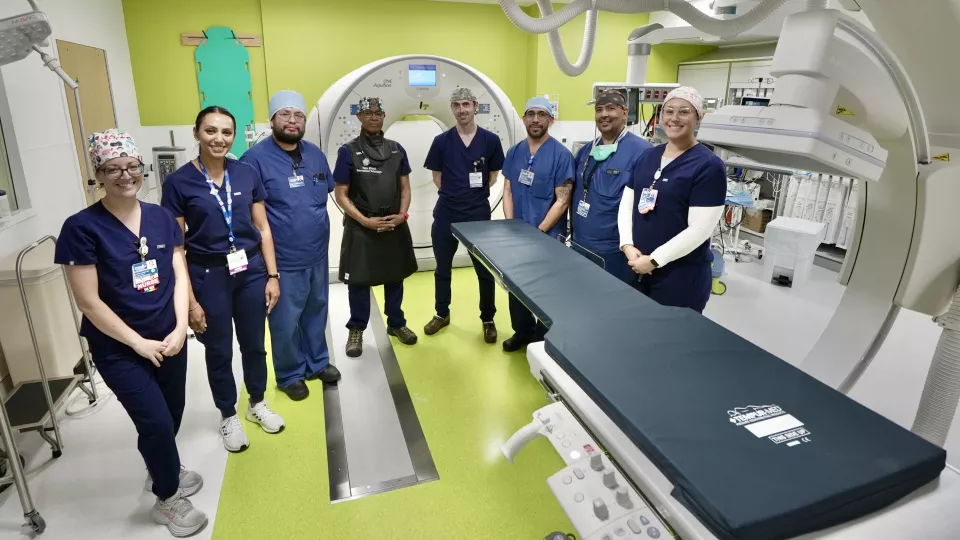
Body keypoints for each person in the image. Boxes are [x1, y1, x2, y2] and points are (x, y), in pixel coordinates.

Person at [55, 130, 207, 536]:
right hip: (120, 348)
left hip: (169, 337)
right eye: (113, 169)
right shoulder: (81, 228)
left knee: (171, 415)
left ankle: (161, 467)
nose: (126, 175)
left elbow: (177, 272)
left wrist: (179, 328)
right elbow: (88, 302)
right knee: (155, 421)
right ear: (98, 175)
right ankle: (168, 497)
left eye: (132, 166)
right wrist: (138, 342)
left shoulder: (159, 217)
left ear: (141, 168)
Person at [162, 106, 285, 453]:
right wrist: (190, 301)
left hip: (249, 270)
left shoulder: (245, 173)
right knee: (218, 349)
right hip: (207, 273)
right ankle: (228, 413)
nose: (219, 139)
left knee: (254, 344)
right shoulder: (179, 183)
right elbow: (176, 246)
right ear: (197, 133)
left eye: (226, 132)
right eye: (211, 131)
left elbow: (263, 228)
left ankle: (257, 403)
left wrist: (272, 275)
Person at [240, 90, 341, 401]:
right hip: (281, 258)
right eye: (285, 114)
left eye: (298, 115)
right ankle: (289, 373)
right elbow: (249, 215)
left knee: (316, 310)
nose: (293, 121)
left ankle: (317, 363)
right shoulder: (253, 160)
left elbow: (325, 193)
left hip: (316, 253)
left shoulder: (315, 155)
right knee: (284, 320)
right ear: (272, 120)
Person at [618, 86, 726, 313]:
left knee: (671, 340)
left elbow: (700, 229)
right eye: (668, 111)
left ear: (698, 118)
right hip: (636, 266)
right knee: (636, 332)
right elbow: (627, 204)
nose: (674, 118)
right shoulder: (648, 156)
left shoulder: (708, 166)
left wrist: (655, 260)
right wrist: (627, 245)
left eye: (684, 112)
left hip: (679, 275)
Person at [333, 97, 419, 357]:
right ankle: (357, 328)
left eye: (378, 112)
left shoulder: (396, 149)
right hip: (362, 225)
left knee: (395, 277)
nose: (373, 117)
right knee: (358, 281)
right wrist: (364, 220)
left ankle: (396, 324)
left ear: (384, 116)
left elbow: (405, 188)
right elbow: (341, 195)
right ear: (359, 117)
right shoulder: (347, 152)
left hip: (393, 222)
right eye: (367, 113)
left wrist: (402, 215)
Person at [423, 87, 505, 343]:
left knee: (483, 270)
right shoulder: (442, 141)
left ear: (475, 106)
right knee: (442, 268)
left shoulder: (490, 141)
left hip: (478, 214)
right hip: (447, 213)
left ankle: (488, 318)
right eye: (457, 105)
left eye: (466, 104)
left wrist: (470, 196)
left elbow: (493, 177)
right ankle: (441, 313)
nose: (462, 110)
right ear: (452, 110)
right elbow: (437, 178)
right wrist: (457, 195)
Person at [501, 96, 574, 352]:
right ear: (523, 119)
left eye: (541, 114)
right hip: (516, 234)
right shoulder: (514, 152)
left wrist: (538, 232)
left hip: (546, 237)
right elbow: (507, 190)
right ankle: (522, 331)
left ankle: (542, 338)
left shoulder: (561, 155)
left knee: (546, 288)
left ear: (550, 120)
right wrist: (510, 226)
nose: (535, 119)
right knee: (515, 284)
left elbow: (562, 201)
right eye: (530, 114)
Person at [571, 89, 653, 285]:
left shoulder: (643, 153)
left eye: (610, 108)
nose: (604, 114)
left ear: (624, 113)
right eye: (599, 110)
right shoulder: (585, 151)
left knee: (611, 307)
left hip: (615, 251)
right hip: (580, 243)